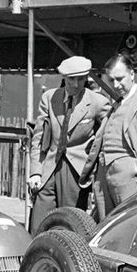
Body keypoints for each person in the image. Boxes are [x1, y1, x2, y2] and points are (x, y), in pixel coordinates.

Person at [79, 53, 137, 219]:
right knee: (106, 234)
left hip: (130, 181)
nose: (116, 84)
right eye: (112, 79)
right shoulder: (115, 105)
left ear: (132, 74)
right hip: (103, 180)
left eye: (120, 78)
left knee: (128, 232)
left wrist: (134, 167)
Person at [27, 56, 109, 233]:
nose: (77, 83)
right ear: (64, 77)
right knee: (39, 223)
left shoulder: (98, 102)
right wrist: (35, 171)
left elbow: (108, 135)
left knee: (69, 224)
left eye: (81, 78)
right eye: (72, 78)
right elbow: (38, 137)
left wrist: (94, 168)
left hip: (76, 173)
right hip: (48, 167)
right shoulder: (49, 98)